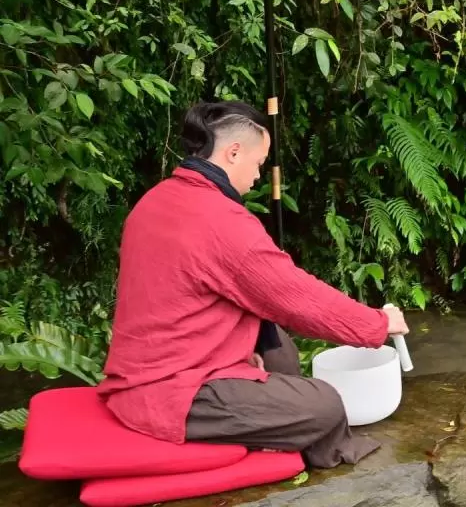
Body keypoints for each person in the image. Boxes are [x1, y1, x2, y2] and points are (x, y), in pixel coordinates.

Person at [96, 100, 409, 468]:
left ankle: (264, 413)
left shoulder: (156, 199)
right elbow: (295, 297)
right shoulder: (219, 220)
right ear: (232, 153)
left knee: (281, 352)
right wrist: (378, 323)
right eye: (259, 164)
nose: (259, 176)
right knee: (325, 405)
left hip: (160, 361)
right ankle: (271, 432)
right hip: (169, 390)